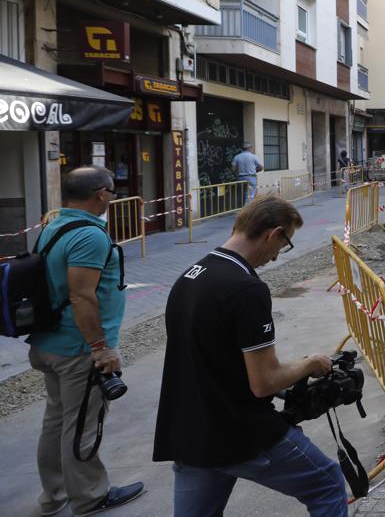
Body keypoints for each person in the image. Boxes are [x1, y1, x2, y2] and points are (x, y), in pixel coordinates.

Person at [153, 196, 346, 516]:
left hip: (190, 433)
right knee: (328, 485)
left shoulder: (191, 275)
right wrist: (309, 364)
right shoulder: (246, 289)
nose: (276, 256)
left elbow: (213, 357)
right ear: (274, 233)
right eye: (284, 244)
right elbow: (264, 382)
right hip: (239, 432)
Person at [27, 166, 145, 516]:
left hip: (50, 342)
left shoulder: (54, 225)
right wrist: (101, 349)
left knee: (57, 421)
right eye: (112, 191)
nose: (113, 197)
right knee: (81, 424)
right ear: (101, 194)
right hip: (78, 349)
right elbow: (82, 296)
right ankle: (90, 496)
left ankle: (55, 496)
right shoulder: (90, 235)